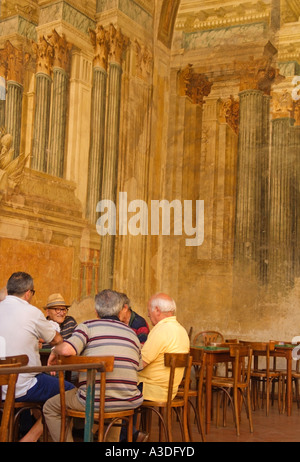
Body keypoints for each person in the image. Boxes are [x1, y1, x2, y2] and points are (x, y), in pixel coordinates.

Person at [43, 289, 144, 442]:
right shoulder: (132, 334)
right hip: (128, 401)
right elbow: (139, 366)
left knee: (50, 407)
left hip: (93, 401)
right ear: (119, 311)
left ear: (96, 311)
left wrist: (54, 350)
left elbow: (67, 350)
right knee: (114, 406)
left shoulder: (87, 326)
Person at [0, 272, 75, 442]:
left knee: (43, 383)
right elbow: (57, 339)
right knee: (69, 391)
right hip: (22, 386)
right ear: (28, 293)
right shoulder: (32, 312)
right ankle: (30, 438)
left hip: (2, 385)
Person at [138, 293, 190, 401]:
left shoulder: (160, 330)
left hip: (151, 389)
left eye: (149, 310)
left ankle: (117, 418)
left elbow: (140, 363)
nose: (148, 315)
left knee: (118, 384)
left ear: (157, 310)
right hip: (171, 390)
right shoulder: (181, 330)